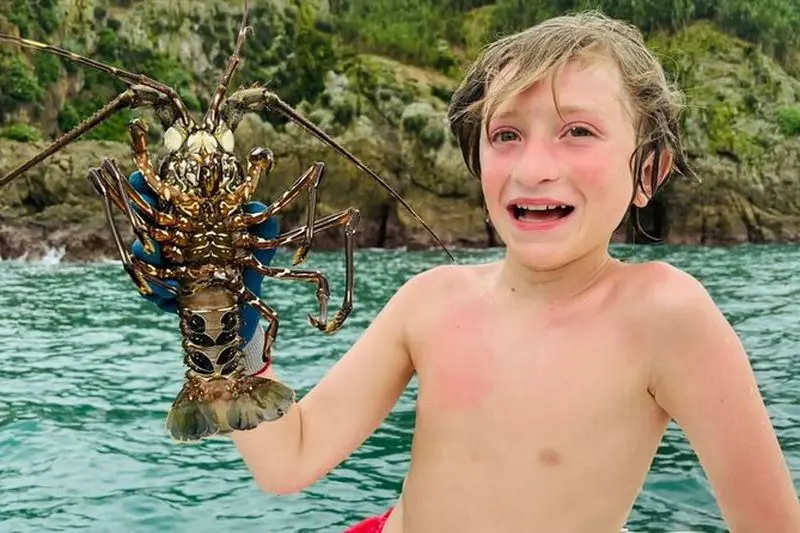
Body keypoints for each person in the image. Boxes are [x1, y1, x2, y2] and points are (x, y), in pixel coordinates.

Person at [131, 10, 800, 532]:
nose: (535, 165)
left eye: (579, 132)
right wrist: (229, 329)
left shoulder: (665, 315)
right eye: (506, 134)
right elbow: (291, 459)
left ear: (649, 170)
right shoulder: (430, 301)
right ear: (478, 160)